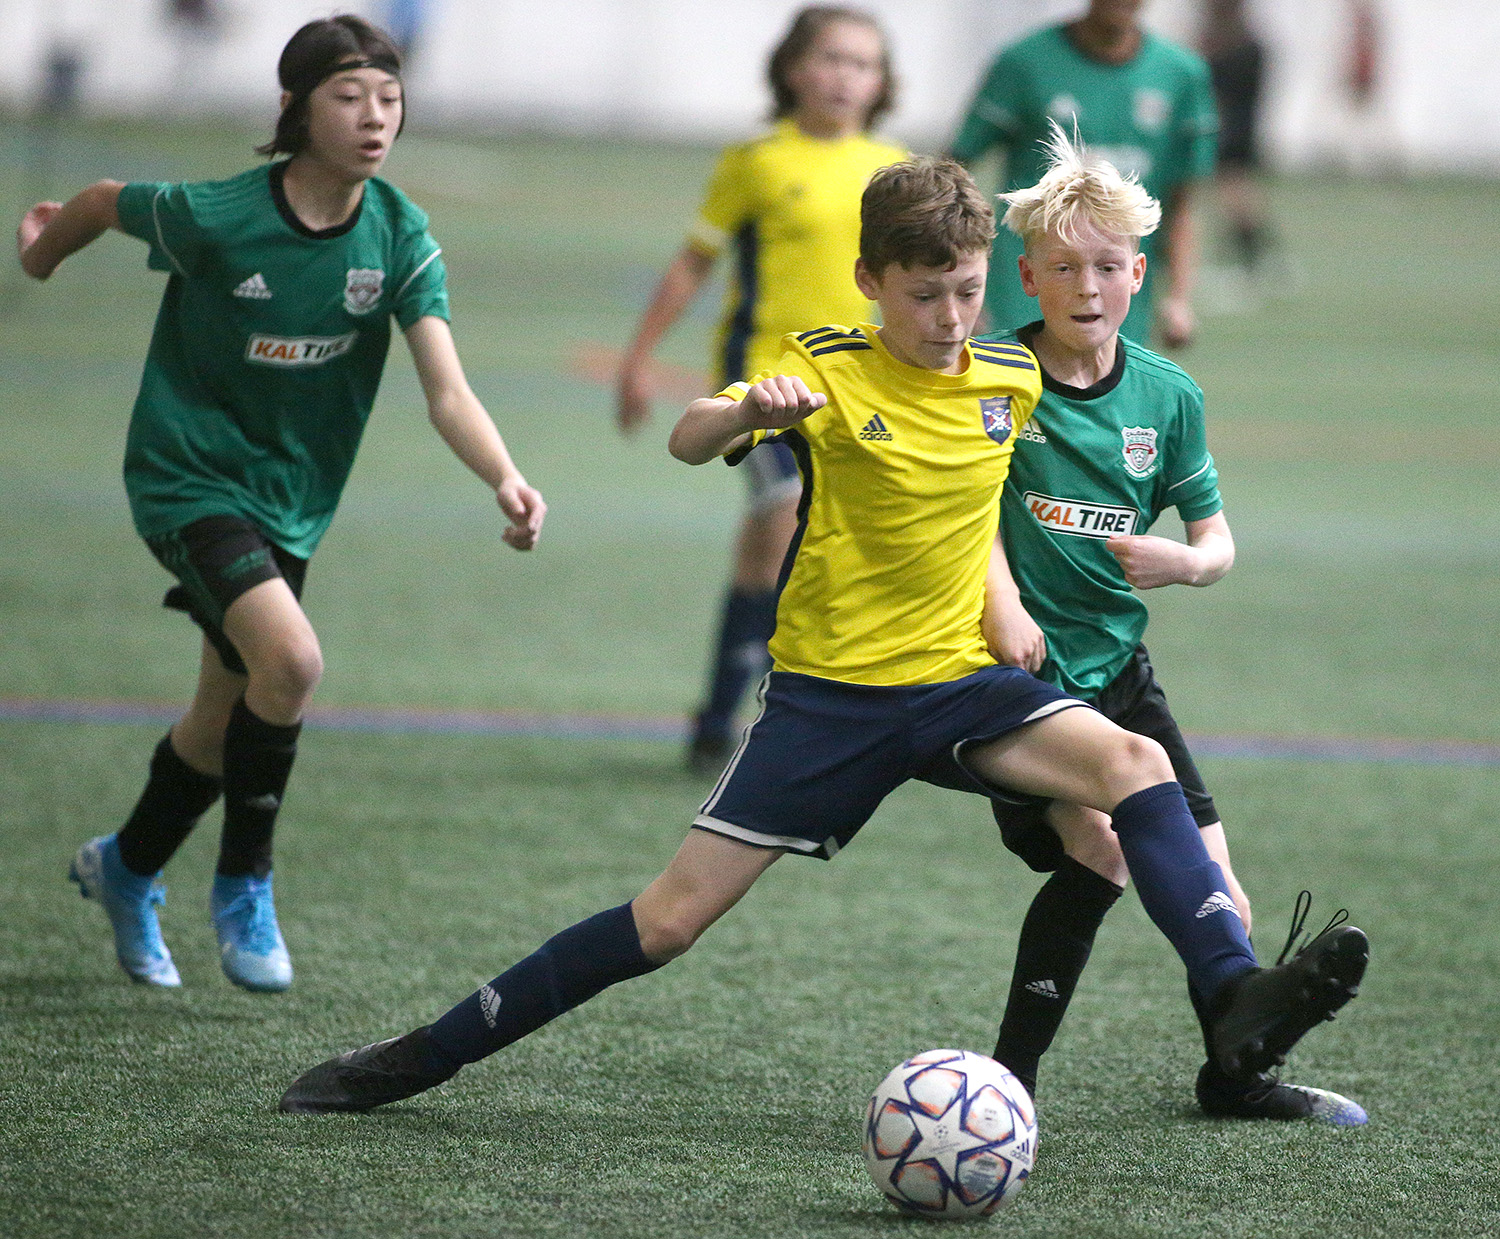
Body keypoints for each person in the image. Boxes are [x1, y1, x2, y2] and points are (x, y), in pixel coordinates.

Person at [279, 156, 1364, 1116]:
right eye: (925, 295)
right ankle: (420, 1057)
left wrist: (1010, 600)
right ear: (871, 286)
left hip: (961, 687)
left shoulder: (1010, 377)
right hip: (830, 703)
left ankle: (1232, 998)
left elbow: (993, 492)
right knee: (666, 923)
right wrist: (751, 410)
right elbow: (687, 436)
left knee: (1133, 768)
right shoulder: (832, 369)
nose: (949, 319)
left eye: (968, 293)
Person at [16, 15, 546, 994]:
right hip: (187, 478)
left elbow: (447, 390)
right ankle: (244, 885)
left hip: (291, 501)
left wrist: (504, 476)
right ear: (296, 108)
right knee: (294, 662)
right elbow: (99, 201)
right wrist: (41, 252)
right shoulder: (220, 215)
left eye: (389, 98)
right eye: (349, 97)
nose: (374, 117)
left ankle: (125, 868)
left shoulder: (397, 233)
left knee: (225, 717)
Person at [976, 123, 1366, 1124]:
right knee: (1098, 850)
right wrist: (1004, 604)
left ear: (1139, 272)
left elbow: (1219, 539)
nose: (1087, 285)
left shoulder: (1168, 396)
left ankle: (1230, 1077)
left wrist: (1185, 563)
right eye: (1063, 268)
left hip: (1123, 677)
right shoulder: (994, 384)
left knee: (1223, 904)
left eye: (1107, 266)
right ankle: (1009, 1081)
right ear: (1030, 276)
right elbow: (956, 520)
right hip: (1023, 685)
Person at [614, 5, 905, 773]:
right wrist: (638, 357)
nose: (847, 76)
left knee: (778, 550)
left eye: (864, 64)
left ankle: (717, 714)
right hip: (762, 381)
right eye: (832, 59)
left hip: (857, 389)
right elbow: (692, 264)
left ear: (882, 82)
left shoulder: (894, 169)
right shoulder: (758, 161)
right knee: (783, 517)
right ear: (794, 69)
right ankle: (780, 712)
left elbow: (921, 284)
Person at [951, 0, 1216, 348]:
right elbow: (953, 177)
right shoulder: (1023, 63)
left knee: (1105, 390)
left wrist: (1178, 298)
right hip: (1024, 287)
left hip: (1118, 290)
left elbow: (1181, 202)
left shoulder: (1181, 74)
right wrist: (961, 284)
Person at [1201, 0, 1274, 278]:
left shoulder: (1238, 50)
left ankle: (1254, 255)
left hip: (1233, 130)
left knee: (1236, 191)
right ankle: (1249, 252)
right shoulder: (1250, 48)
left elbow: (1220, 91)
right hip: (1238, 127)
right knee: (1235, 192)